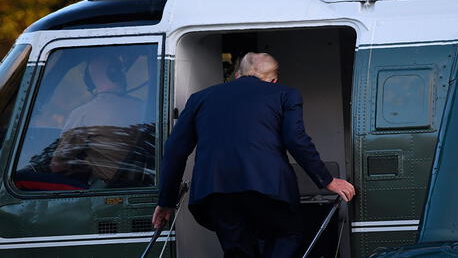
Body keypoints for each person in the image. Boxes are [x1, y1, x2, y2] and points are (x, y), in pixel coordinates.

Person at [152, 52, 355, 257]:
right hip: (268, 188)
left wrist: (166, 201)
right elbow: (295, 139)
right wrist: (327, 180)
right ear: (273, 80)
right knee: (286, 234)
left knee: (239, 250)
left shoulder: (199, 98)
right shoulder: (285, 94)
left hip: (215, 191)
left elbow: (174, 150)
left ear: (237, 75)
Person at [48, 54, 145, 186]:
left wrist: (87, 166)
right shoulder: (145, 107)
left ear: (89, 81)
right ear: (116, 73)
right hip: (142, 184)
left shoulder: (83, 113)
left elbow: (58, 166)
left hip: (109, 191)